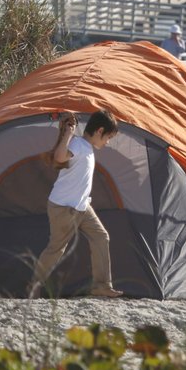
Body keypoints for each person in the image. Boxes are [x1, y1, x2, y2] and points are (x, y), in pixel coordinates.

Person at [29, 110, 123, 298]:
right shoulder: (78, 145)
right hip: (64, 208)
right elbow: (59, 157)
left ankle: (101, 286)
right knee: (56, 249)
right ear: (99, 131)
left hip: (81, 207)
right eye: (108, 137)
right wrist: (68, 135)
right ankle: (33, 286)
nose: (107, 142)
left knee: (101, 237)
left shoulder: (86, 148)